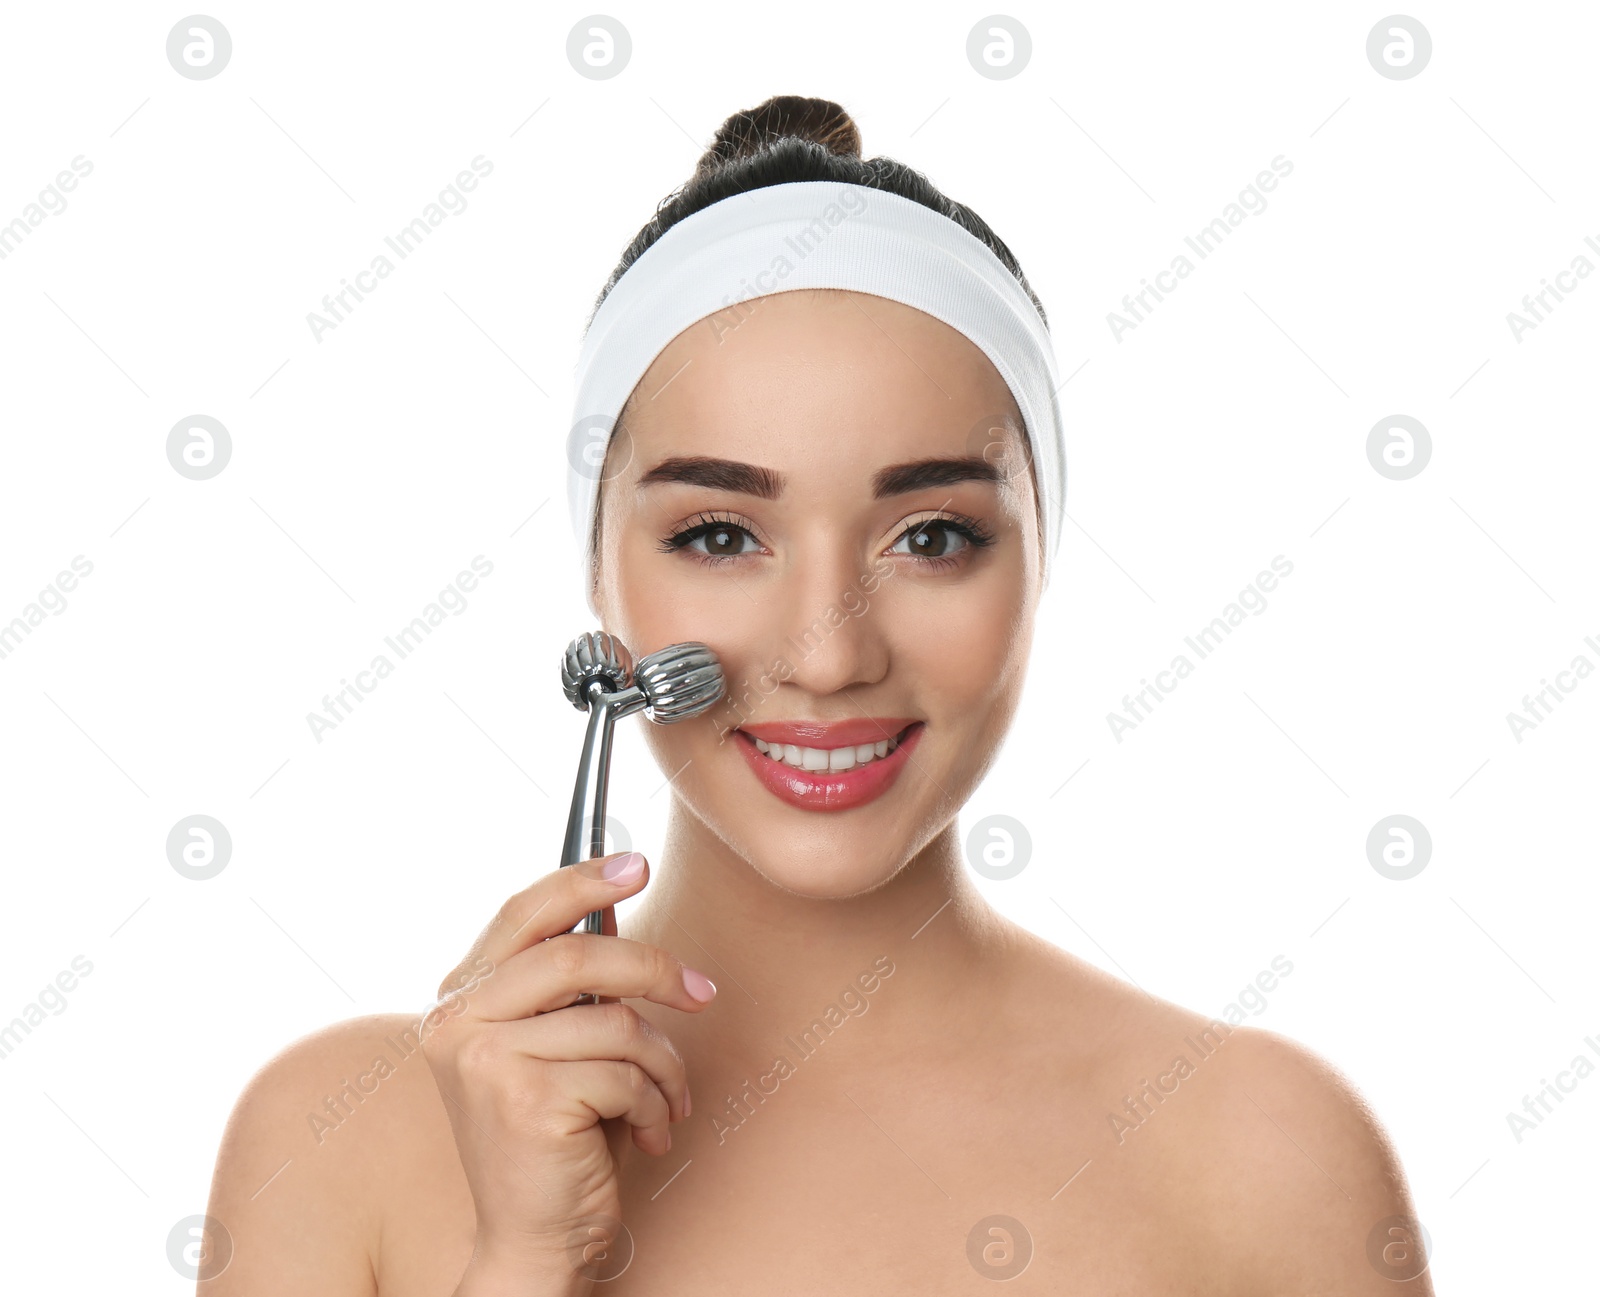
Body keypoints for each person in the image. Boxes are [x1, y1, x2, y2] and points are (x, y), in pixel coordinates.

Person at [202, 96, 1433, 1295]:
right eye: (724, 535)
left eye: (935, 534)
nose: (829, 655)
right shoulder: (337, 1143)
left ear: (1044, 555)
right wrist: (520, 1265)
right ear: (596, 567)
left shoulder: (1262, 1154)